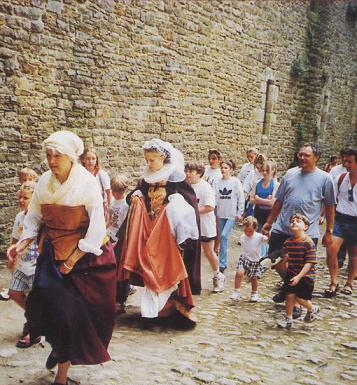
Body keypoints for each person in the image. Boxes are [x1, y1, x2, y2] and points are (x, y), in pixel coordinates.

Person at [7, 131, 117, 385]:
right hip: (52, 255)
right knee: (40, 308)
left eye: (58, 156)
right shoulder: (44, 182)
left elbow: (97, 228)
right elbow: (34, 218)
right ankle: (58, 347)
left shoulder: (86, 183)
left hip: (83, 260)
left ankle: (62, 375)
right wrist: (22, 244)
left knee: (73, 316)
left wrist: (72, 260)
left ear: (71, 157)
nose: (52, 161)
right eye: (49, 155)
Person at [116, 138, 200, 324]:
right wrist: (136, 197)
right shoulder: (147, 179)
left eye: (152, 160)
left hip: (167, 234)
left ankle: (171, 309)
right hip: (149, 230)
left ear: (163, 158)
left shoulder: (175, 180)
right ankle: (152, 312)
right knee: (150, 266)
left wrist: (175, 207)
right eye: (147, 160)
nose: (149, 164)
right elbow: (136, 195)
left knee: (165, 268)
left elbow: (189, 204)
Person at [262, 143, 336, 306]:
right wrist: (269, 222)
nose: (301, 158)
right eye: (300, 154)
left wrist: (329, 230)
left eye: (306, 155)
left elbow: (330, 206)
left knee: (300, 267)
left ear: (316, 158)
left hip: (306, 233)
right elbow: (279, 200)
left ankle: (295, 304)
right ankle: (288, 286)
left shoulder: (325, 178)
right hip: (282, 227)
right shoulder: (290, 174)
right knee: (275, 260)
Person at [7, 181, 40, 348]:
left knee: (35, 298)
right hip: (21, 263)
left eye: (25, 198)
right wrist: (11, 254)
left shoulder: (39, 218)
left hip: (35, 264)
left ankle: (33, 329)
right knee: (14, 292)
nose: (21, 200)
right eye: (20, 197)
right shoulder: (19, 217)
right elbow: (14, 238)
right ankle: (36, 318)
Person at [185, 162, 225, 292]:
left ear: (199, 173)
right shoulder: (186, 186)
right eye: (187, 171)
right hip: (190, 226)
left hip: (205, 225)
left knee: (208, 252)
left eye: (191, 171)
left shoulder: (206, 187)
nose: (188, 174)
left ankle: (218, 276)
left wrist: (192, 211)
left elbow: (209, 207)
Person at [277, 214, 319, 329]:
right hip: (292, 272)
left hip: (306, 275)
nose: (294, 222)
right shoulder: (288, 242)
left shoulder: (308, 242)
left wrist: (299, 276)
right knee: (289, 296)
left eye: (298, 221)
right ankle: (288, 319)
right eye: (292, 221)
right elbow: (285, 256)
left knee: (301, 299)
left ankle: (312, 309)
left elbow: (309, 263)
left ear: (305, 227)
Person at [325, 147, 357, 297]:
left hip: (355, 222)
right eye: (345, 161)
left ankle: (349, 283)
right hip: (340, 219)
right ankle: (333, 281)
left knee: (354, 254)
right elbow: (332, 201)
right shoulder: (341, 179)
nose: (347, 164)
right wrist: (327, 220)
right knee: (331, 249)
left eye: (350, 161)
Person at [215, 159, 245, 273]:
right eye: (222, 167)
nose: (223, 170)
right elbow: (214, 197)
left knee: (223, 236)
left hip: (231, 215)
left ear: (231, 170)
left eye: (226, 168)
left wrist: (240, 212)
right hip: (220, 214)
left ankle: (222, 263)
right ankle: (222, 263)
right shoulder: (217, 182)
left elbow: (240, 197)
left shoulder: (235, 182)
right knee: (221, 238)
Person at [229, 216, 268, 302]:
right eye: (245, 231)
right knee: (239, 273)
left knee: (254, 278)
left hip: (255, 261)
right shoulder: (243, 236)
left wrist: (266, 234)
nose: (247, 233)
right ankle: (237, 291)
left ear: (255, 228)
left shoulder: (259, 236)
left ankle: (254, 292)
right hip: (244, 259)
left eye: (250, 231)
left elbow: (266, 240)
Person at [80, 147, 112, 222]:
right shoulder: (80, 174)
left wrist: (109, 209)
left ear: (96, 160)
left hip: (99, 208)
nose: (90, 161)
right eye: (87, 158)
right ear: (83, 160)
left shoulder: (101, 174)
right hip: (84, 208)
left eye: (93, 158)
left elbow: (108, 191)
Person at [107, 174, 129, 243]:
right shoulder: (112, 200)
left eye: (119, 191)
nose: (116, 193)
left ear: (125, 189)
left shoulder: (126, 205)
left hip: (117, 238)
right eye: (113, 190)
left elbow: (125, 226)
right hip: (108, 233)